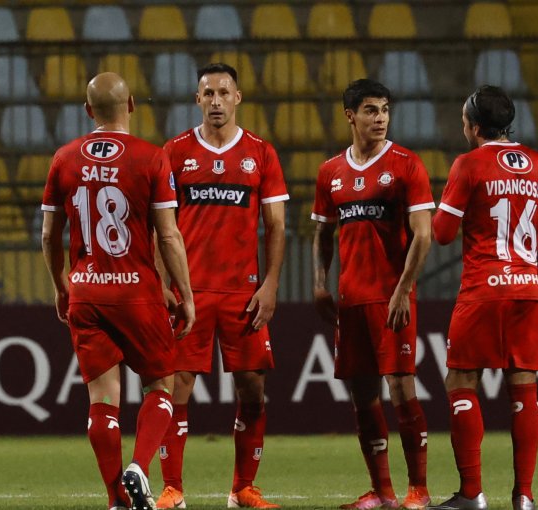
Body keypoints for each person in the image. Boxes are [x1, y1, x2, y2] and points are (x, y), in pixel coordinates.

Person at [428, 86, 538, 510]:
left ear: (475, 126)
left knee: (461, 381)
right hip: (525, 290)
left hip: (482, 289)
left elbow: (442, 235)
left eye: (465, 119)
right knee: (524, 386)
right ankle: (524, 497)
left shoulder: (468, 164)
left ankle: (471, 494)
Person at [41, 72, 195, 510]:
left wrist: (59, 286)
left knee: (101, 400)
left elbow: (50, 236)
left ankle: (116, 502)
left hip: (86, 292)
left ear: (89, 111)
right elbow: (168, 236)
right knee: (160, 386)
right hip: (137, 292)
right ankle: (140, 467)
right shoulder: (151, 157)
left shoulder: (64, 158)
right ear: (131, 106)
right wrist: (184, 293)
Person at [156, 63, 288, 510]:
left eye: (223, 93)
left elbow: (275, 225)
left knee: (252, 389)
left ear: (238, 98)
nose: (215, 100)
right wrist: (164, 283)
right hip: (188, 294)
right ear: (197, 100)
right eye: (207, 93)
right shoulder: (174, 152)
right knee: (176, 389)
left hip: (242, 292)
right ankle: (172, 488)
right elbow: (160, 226)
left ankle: (242, 488)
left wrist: (270, 284)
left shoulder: (261, 153)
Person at [311, 79, 434, 510]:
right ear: (350, 115)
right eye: (369, 110)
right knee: (362, 396)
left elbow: (424, 235)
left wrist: (403, 289)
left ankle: (418, 490)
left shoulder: (406, 165)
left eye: (384, 109)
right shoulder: (330, 172)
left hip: (392, 298)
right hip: (351, 299)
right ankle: (381, 493)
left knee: (401, 388)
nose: (379, 117)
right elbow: (323, 233)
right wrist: (321, 283)